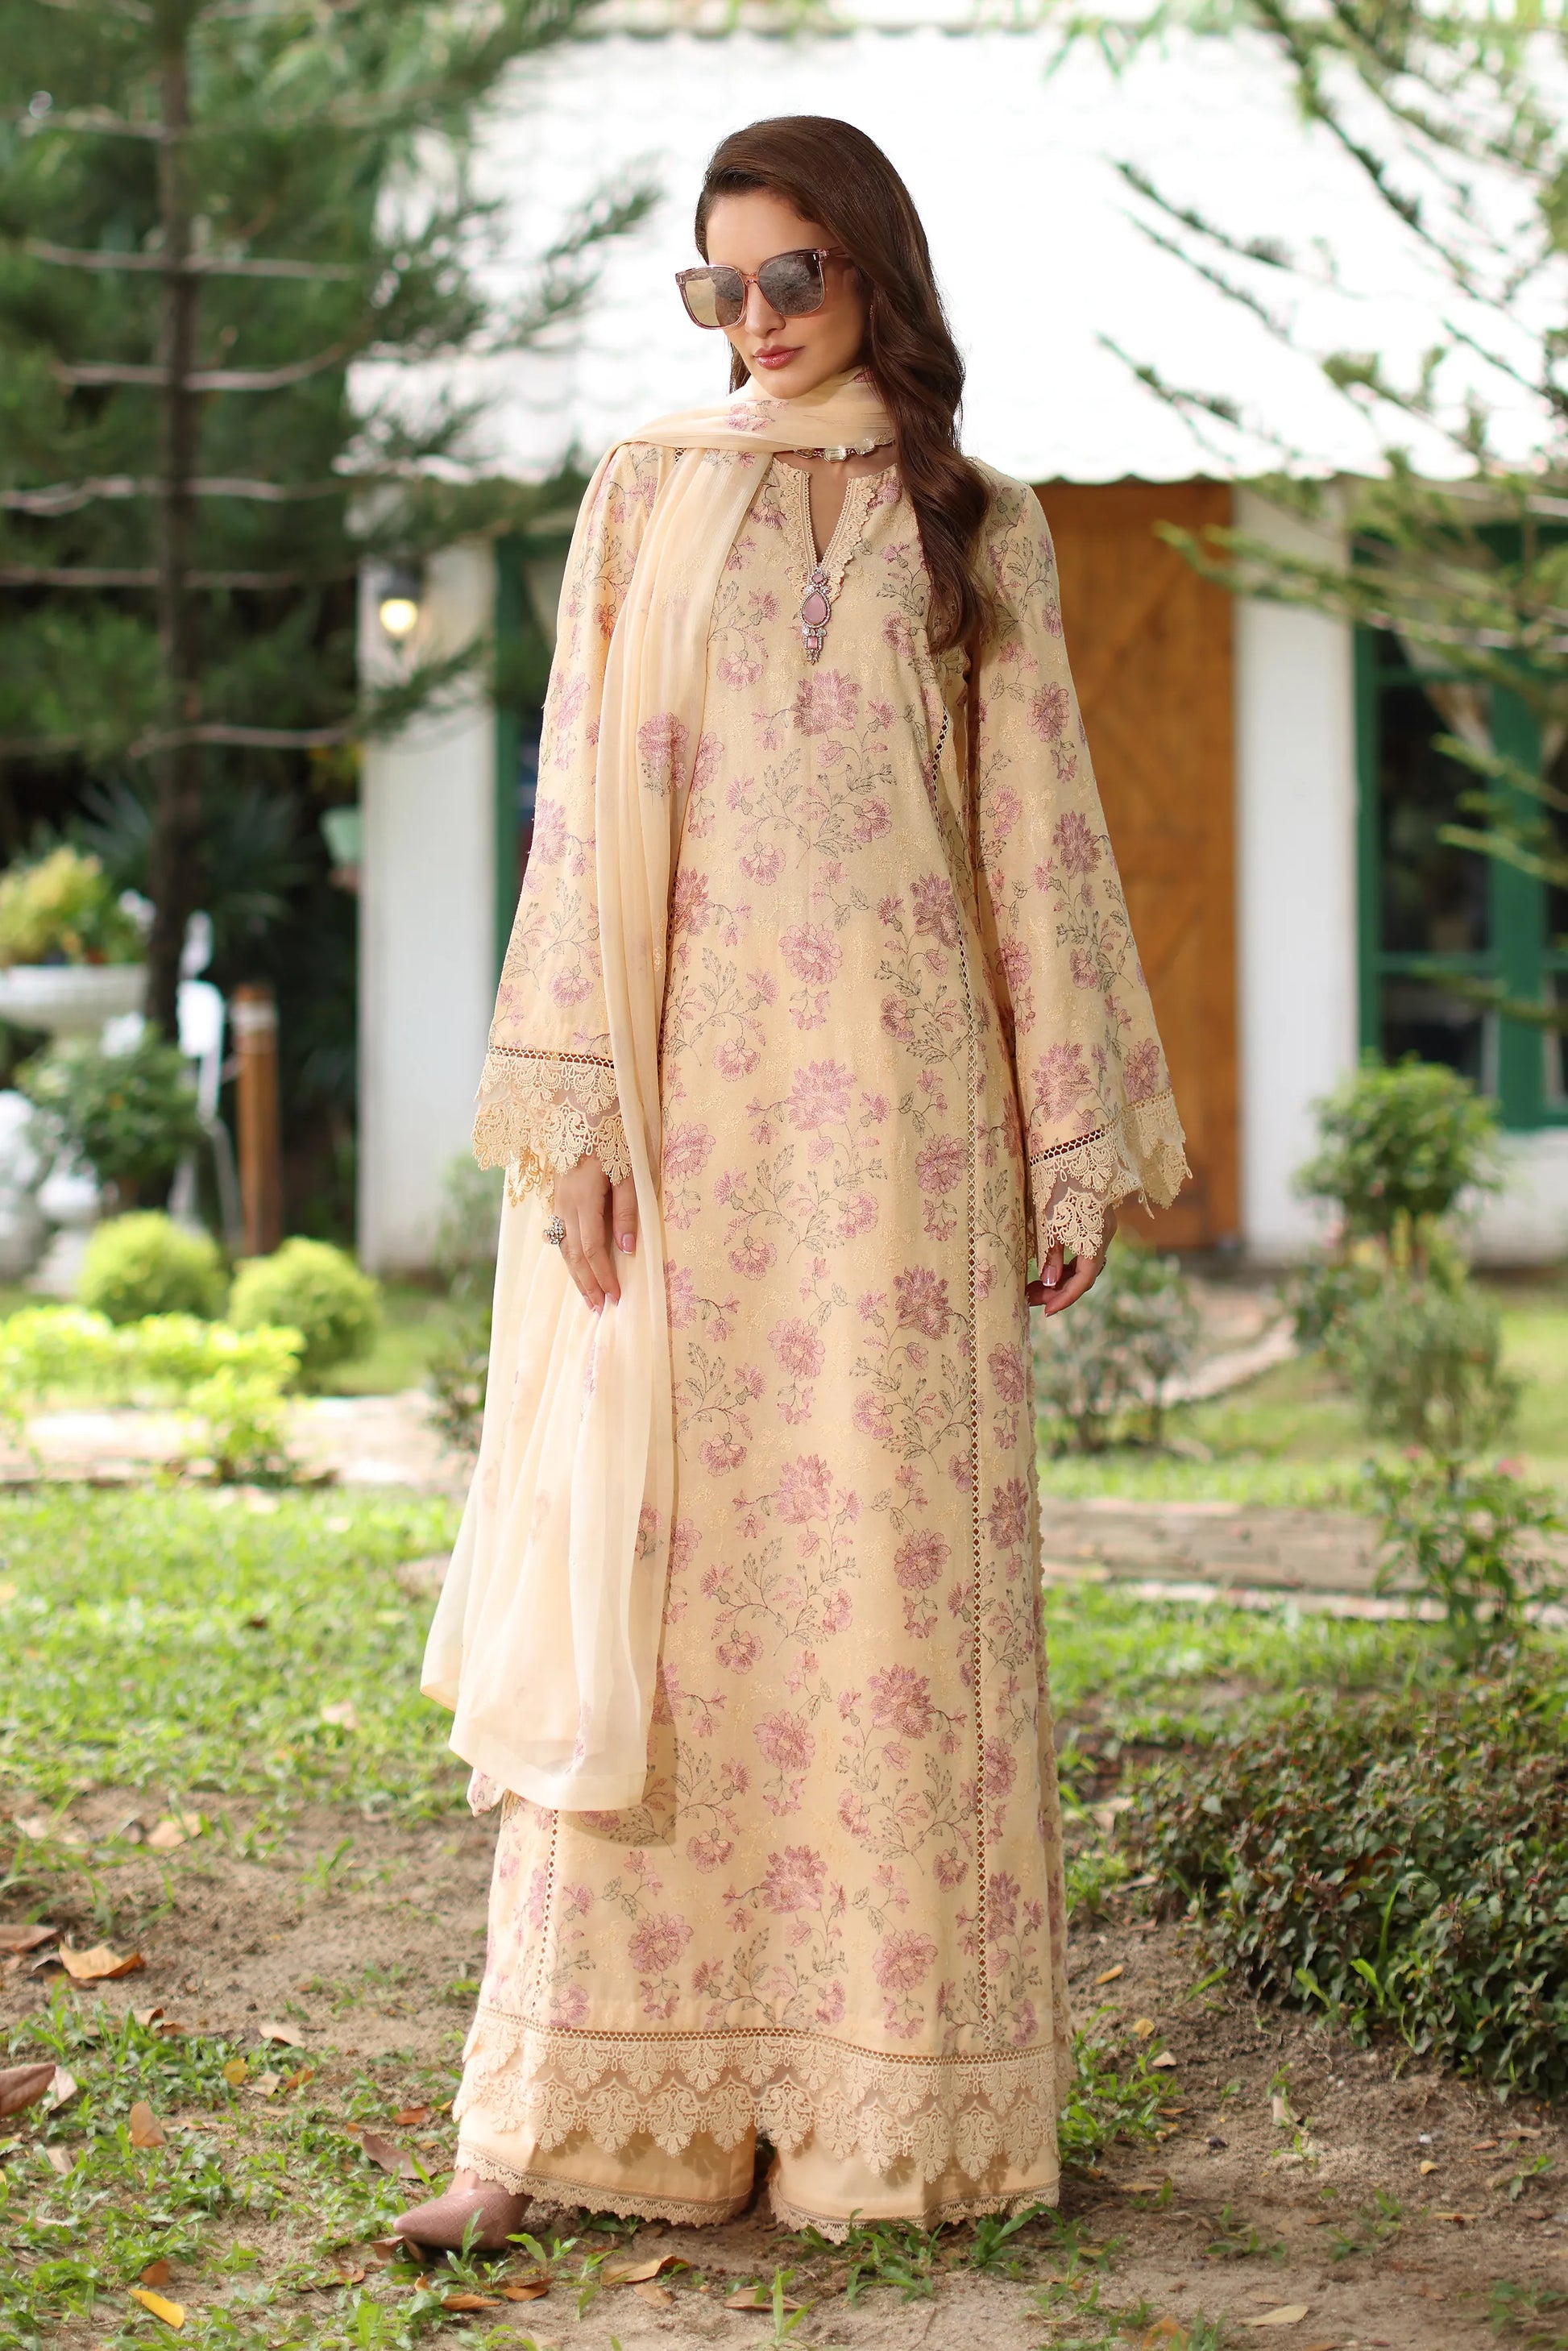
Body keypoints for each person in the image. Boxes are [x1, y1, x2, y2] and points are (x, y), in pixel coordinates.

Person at [400, 114, 1188, 2251]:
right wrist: (573, 1121)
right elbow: (576, 814)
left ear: (873, 276)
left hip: (905, 1151)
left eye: (790, 278)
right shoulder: (648, 493)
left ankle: (887, 2121)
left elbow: (1036, 836)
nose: (751, 321)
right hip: (689, 1132)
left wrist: (1064, 1141)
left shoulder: (978, 524)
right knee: (652, 1584)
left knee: (885, 1600)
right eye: (718, 285)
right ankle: (568, 2122)